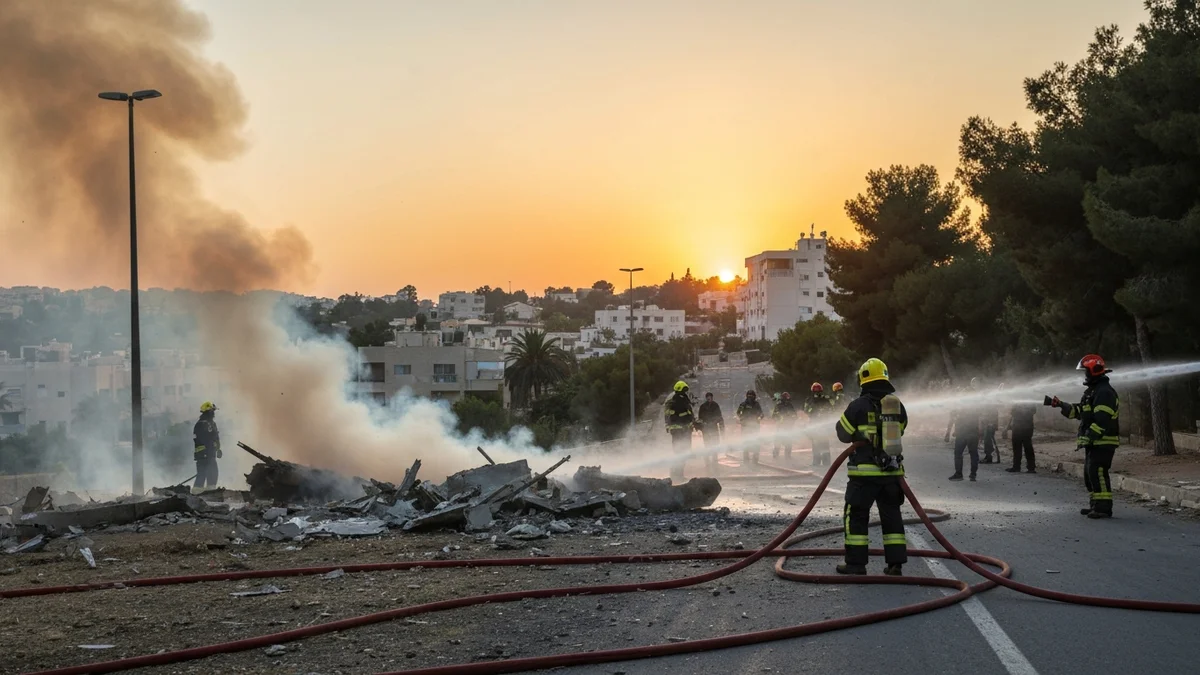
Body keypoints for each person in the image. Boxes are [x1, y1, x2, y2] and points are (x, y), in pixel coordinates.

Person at [834, 357, 908, 576]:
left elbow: (842, 433)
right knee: (892, 516)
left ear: (863, 379)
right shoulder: (896, 405)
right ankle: (895, 565)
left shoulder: (857, 406)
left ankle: (856, 565)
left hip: (863, 476)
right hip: (891, 473)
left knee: (856, 515)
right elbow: (901, 429)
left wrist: (860, 434)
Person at [1048, 354, 1120, 518]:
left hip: (1103, 441)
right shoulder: (1092, 391)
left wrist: (1089, 436)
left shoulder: (1105, 393)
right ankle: (1095, 505)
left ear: (1094, 370)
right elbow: (1081, 411)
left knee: (1098, 472)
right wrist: (1061, 405)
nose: (1084, 375)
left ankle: (1103, 508)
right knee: (1090, 473)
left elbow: (1102, 420)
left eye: (1085, 371)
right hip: (1094, 442)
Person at [664, 381, 695, 480]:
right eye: (684, 390)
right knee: (679, 453)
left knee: (683, 453)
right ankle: (676, 475)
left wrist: (692, 423)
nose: (685, 393)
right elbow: (676, 417)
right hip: (679, 432)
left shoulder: (683, 400)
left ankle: (678, 475)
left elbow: (689, 415)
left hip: (684, 431)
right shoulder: (676, 402)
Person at [193, 401, 222, 494]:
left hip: (210, 454)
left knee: (213, 474)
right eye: (212, 411)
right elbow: (203, 440)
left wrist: (218, 450)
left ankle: (210, 493)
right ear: (208, 412)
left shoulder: (211, 423)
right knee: (202, 475)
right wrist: (206, 452)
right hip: (203, 454)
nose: (213, 413)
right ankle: (196, 493)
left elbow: (215, 438)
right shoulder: (201, 424)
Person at [948, 400, 980, 482]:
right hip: (973, 433)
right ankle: (973, 474)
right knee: (973, 453)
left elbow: (952, 420)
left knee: (958, 453)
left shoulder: (957, 407)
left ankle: (959, 474)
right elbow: (981, 420)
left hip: (962, 434)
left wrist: (948, 433)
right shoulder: (975, 408)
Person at [804, 383, 833, 466]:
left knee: (820, 443)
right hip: (817, 425)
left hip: (819, 424)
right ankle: (821, 462)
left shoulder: (812, 400)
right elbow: (806, 411)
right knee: (820, 443)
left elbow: (830, 410)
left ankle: (821, 462)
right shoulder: (811, 400)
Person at [1006, 401, 1037, 473]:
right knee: (1024, 447)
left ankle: (1020, 467)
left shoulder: (1024, 401)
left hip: (1021, 427)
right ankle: (1029, 467)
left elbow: (1013, 412)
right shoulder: (1028, 401)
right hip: (1024, 427)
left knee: (1023, 447)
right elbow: (1012, 413)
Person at [697, 392, 725, 469]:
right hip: (706, 429)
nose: (709, 398)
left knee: (715, 445)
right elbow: (700, 418)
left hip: (714, 428)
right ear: (706, 398)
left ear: (712, 397)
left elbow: (720, 417)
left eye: (710, 397)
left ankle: (715, 462)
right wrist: (700, 428)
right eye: (708, 397)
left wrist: (722, 429)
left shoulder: (716, 406)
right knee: (707, 445)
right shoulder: (702, 407)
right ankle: (707, 462)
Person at [736, 390, 764, 464]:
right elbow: (739, 413)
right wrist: (742, 419)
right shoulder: (743, 404)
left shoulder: (757, 404)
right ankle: (746, 461)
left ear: (754, 396)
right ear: (747, 396)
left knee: (756, 443)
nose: (750, 397)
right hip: (745, 427)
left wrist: (759, 418)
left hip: (755, 427)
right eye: (749, 395)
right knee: (746, 443)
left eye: (752, 395)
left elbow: (761, 414)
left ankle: (755, 460)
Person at [771, 392, 798, 458]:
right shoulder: (778, 405)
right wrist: (780, 418)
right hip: (780, 427)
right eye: (786, 398)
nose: (787, 399)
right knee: (778, 441)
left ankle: (788, 456)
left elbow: (795, 415)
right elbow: (773, 416)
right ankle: (775, 455)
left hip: (788, 427)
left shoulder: (790, 405)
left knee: (788, 442)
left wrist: (792, 418)